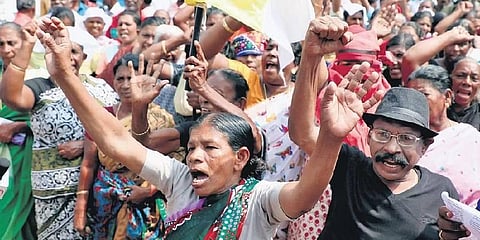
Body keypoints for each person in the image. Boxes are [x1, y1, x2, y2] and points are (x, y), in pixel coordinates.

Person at [33, 15, 375, 240]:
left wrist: (331, 137)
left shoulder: (259, 200)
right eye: (193, 147)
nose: (195, 156)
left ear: (241, 157)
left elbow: (307, 192)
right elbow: (115, 140)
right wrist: (64, 73)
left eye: (210, 148)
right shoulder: (179, 179)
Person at [289, 16, 459, 239]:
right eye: (382, 134)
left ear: (425, 146)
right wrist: (311, 56)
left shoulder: (441, 190)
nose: (391, 148)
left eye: (406, 138)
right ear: (368, 137)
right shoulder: (351, 168)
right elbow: (302, 134)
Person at [0, 22, 118, 240]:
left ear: (83, 57)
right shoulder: (41, 87)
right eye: (58, 50)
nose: (67, 56)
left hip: (100, 189)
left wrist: (85, 145)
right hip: (52, 195)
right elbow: (12, 97)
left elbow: (120, 129)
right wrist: (27, 43)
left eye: (74, 51)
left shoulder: (101, 88)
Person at [74, 53, 175, 239]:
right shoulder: (103, 116)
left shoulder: (162, 118)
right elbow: (89, 163)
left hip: (149, 202)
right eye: (121, 79)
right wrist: (80, 206)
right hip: (107, 199)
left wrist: (147, 191)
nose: (127, 84)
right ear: (114, 83)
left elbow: (172, 164)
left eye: (132, 78)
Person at [406, 64, 480, 206]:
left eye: (423, 95)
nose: (415, 102)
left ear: (447, 97)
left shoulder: (469, 136)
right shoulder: (406, 140)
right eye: (411, 96)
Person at [0, 21, 36, 240]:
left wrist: (17, 126)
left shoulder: (36, 78)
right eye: (0, 44)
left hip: (22, 157)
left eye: (11, 43)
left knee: (19, 213)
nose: (6, 49)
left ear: (23, 43)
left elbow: (48, 116)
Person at [446, 57, 480, 131]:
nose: (467, 82)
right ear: (450, 78)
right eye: (460, 76)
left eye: (474, 78)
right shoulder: (437, 110)